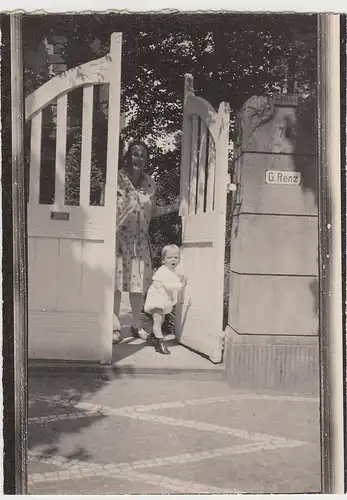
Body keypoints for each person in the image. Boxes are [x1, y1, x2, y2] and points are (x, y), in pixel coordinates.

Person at [113, 140, 179, 344]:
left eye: (142, 155)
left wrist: (173, 207)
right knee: (116, 285)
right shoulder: (117, 178)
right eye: (134, 154)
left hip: (140, 241)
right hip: (117, 239)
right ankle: (114, 328)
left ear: (146, 160)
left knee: (137, 286)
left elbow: (153, 211)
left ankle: (135, 325)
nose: (138, 158)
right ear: (128, 156)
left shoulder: (150, 183)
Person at [144, 244, 187, 355]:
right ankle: (160, 342)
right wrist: (181, 284)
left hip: (163, 300)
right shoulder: (162, 271)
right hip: (156, 300)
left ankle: (153, 337)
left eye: (176, 257)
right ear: (163, 260)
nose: (173, 260)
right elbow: (169, 286)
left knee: (161, 320)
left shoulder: (173, 271)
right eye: (169, 258)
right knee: (158, 320)